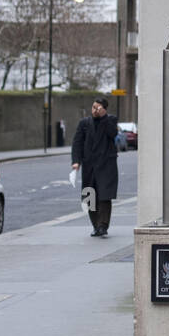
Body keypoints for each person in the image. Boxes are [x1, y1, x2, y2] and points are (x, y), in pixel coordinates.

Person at [71, 97, 119, 237]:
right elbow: (77, 143)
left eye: (98, 108)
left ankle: (103, 226)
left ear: (104, 109)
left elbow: (112, 133)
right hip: (89, 165)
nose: (94, 110)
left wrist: (104, 117)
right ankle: (95, 225)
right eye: (93, 107)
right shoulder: (84, 123)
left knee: (104, 196)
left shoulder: (110, 120)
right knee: (89, 195)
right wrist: (76, 161)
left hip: (106, 164)